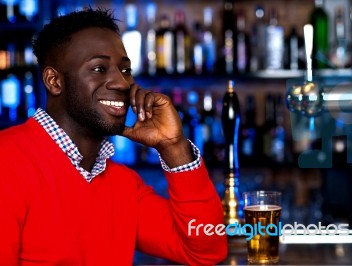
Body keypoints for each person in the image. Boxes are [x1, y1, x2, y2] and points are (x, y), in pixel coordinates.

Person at [0, 8, 227, 265]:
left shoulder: (124, 184)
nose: (121, 83)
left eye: (125, 70)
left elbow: (205, 251)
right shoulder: (6, 163)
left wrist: (173, 147)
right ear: (54, 81)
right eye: (99, 68)